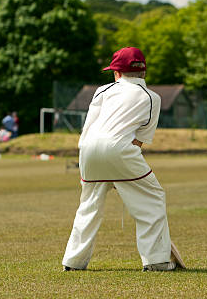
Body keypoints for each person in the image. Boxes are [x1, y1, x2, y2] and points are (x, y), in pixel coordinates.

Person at [62, 47, 183, 272]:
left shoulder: (102, 91)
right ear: (143, 73)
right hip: (119, 149)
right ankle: (156, 259)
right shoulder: (152, 98)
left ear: (116, 72)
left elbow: (89, 127)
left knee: (89, 205)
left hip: (88, 148)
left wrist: (106, 172)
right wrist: (121, 174)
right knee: (153, 198)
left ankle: (73, 261)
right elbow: (138, 141)